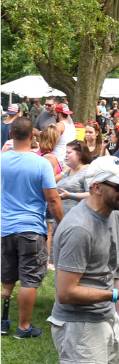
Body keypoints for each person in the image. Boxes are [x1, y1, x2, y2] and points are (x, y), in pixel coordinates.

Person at [47, 156, 119, 363]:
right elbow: (66, 293)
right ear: (97, 188)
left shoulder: (113, 213)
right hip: (80, 327)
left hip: (106, 317)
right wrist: (115, 294)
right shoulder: (79, 228)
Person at [1, 117, 63, 338]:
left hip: (4, 228)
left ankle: (3, 321)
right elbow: (53, 200)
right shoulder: (41, 163)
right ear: (32, 136)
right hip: (30, 229)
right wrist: (62, 223)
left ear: (10, 135)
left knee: (6, 277)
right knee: (29, 278)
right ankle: (24, 327)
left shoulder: (1, 160)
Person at [56, 140, 92, 215]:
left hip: (78, 219)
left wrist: (71, 195)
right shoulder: (68, 171)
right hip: (61, 219)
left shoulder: (88, 171)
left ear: (80, 155)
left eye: (69, 153)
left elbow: (92, 195)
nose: (66, 155)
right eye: (66, 152)